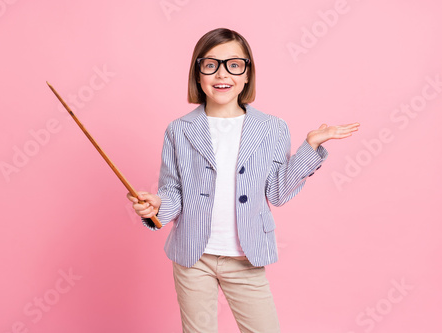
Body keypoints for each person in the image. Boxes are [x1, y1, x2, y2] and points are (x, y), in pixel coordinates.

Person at [127, 28, 360, 333]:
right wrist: (157, 206)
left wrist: (310, 147)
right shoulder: (179, 130)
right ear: (198, 74)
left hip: (245, 257)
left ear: (247, 73)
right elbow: (173, 191)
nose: (222, 74)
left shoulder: (272, 128)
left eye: (234, 65)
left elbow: (277, 191)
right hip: (193, 256)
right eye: (210, 65)